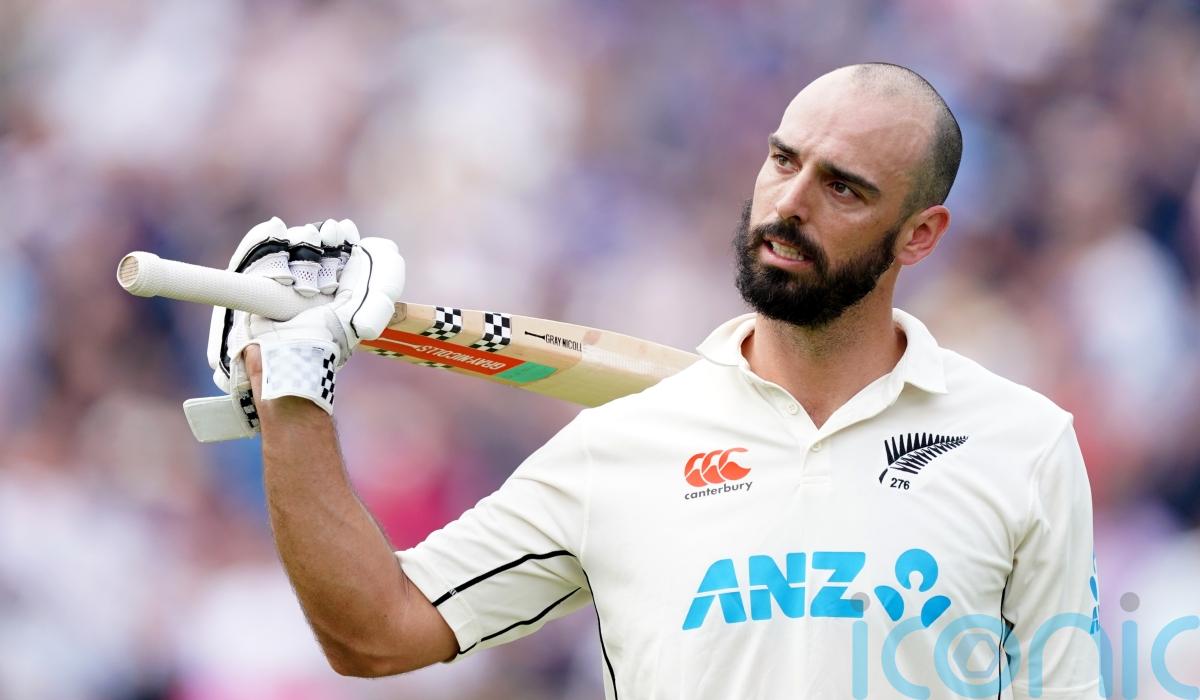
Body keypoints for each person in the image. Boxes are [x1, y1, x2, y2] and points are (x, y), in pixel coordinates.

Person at [209, 63, 1102, 698]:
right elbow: (377, 632)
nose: (790, 203)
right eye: (783, 160)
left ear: (921, 234)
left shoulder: (1021, 447)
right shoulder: (623, 445)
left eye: (844, 188)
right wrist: (292, 387)